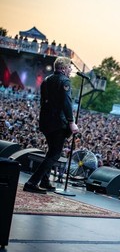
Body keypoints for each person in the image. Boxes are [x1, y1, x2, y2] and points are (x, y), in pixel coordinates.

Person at [23, 57, 79, 194]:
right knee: (55, 154)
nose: (71, 70)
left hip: (46, 121)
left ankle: (45, 180)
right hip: (58, 123)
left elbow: (43, 102)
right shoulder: (64, 81)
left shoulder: (47, 80)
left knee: (51, 151)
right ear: (64, 68)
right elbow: (66, 102)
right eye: (70, 68)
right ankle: (32, 182)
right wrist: (71, 122)